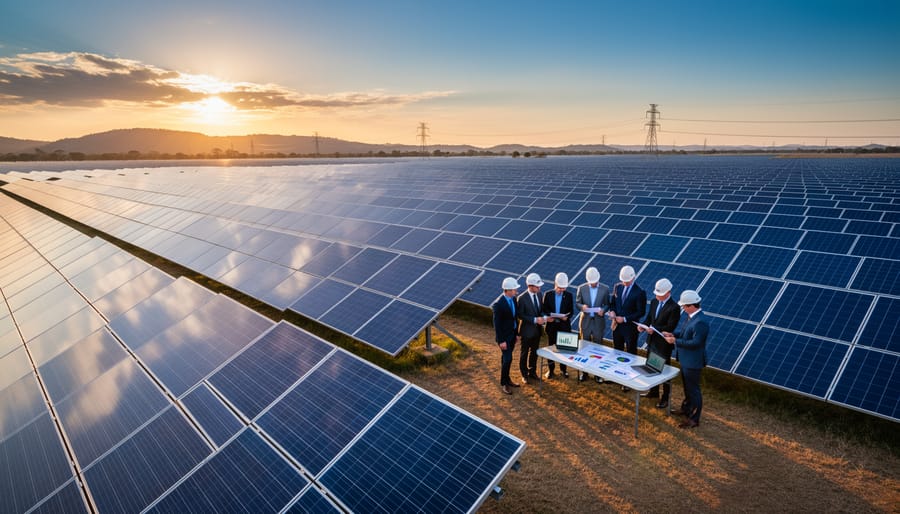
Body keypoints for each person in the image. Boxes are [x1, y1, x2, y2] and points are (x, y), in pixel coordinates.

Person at [663, 290, 709, 428]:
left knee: (693, 390)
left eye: (684, 306)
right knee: (687, 388)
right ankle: (686, 408)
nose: (682, 308)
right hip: (686, 359)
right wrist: (672, 334)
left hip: (693, 361)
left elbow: (696, 343)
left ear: (691, 305)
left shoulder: (701, 322)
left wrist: (675, 341)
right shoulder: (691, 317)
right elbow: (684, 333)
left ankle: (694, 419)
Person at [636, 278, 680, 408]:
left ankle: (665, 398)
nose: (657, 296)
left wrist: (654, 330)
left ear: (668, 292)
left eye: (660, 294)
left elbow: (670, 326)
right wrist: (643, 326)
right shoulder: (655, 302)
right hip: (652, 342)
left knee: (665, 371)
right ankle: (653, 391)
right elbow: (649, 318)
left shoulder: (674, 307)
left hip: (663, 344)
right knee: (651, 366)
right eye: (656, 294)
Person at [609, 265, 646, 391]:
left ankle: (628, 380)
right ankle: (617, 375)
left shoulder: (640, 292)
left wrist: (625, 319)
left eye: (627, 281)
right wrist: (613, 312)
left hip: (630, 328)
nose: (624, 283)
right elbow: (613, 304)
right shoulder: (618, 287)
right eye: (623, 280)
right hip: (617, 327)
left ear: (633, 278)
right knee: (617, 351)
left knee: (630, 353)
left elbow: (641, 312)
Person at [575, 267, 609, 383]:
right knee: (584, 348)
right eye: (591, 282)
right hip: (585, 322)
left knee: (598, 349)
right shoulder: (581, 288)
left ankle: (597, 374)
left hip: (598, 322)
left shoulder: (605, 289)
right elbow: (577, 303)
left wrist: (603, 310)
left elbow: (607, 304)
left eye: (595, 282)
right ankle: (584, 373)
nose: (593, 284)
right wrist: (582, 307)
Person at [493, 277, 522, 395]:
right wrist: (501, 341)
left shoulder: (514, 300)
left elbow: (515, 318)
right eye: (514, 289)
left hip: (512, 335)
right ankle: (504, 383)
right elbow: (497, 325)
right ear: (508, 290)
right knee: (508, 359)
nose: (516, 291)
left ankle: (507, 379)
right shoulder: (498, 304)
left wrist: (517, 334)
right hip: (504, 338)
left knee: (506, 359)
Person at [542, 272, 574, 379]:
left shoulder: (569, 296)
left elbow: (571, 311)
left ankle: (563, 370)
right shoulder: (548, 294)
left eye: (563, 288)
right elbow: (544, 310)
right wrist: (548, 317)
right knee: (551, 349)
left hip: (564, 326)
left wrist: (567, 317)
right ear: (555, 284)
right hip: (552, 327)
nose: (562, 290)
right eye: (560, 288)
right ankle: (551, 370)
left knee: (563, 349)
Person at [517, 272, 546, 383]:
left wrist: (543, 317)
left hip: (537, 331)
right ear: (530, 286)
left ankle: (532, 372)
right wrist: (534, 320)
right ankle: (524, 374)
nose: (539, 288)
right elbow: (520, 315)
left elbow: (541, 310)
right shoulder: (522, 298)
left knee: (534, 352)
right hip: (526, 331)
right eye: (537, 286)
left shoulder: (539, 294)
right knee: (524, 353)